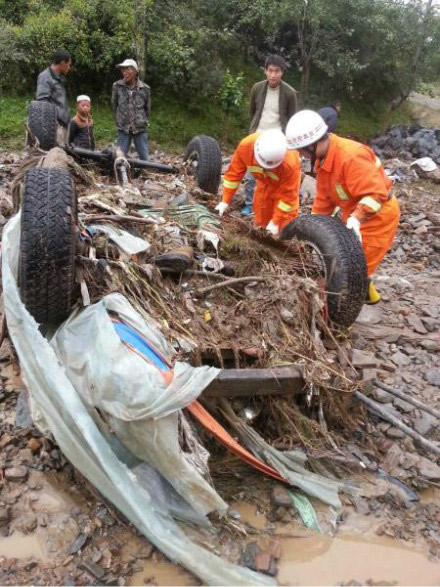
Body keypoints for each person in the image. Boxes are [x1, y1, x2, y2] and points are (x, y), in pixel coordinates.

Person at [285, 110, 400, 304]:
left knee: (355, 270)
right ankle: (369, 296)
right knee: (350, 263)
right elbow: (324, 199)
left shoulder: (351, 156)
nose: (302, 156)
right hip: (354, 214)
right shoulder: (324, 159)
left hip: (378, 216)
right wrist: (312, 228)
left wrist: (357, 217)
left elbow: (376, 194)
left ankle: (345, 319)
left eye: (303, 151)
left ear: (314, 144)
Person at [215, 129, 301, 236]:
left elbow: (288, 197)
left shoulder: (290, 163)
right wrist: (225, 201)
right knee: (261, 225)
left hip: (284, 194)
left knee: (284, 230)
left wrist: (276, 222)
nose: (265, 168)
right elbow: (233, 175)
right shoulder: (246, 147)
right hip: (264, 186)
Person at [241, 55, 298, 216]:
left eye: (277, 71)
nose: (273, 75)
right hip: (258, 136)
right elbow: (252, 111)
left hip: (277, 141)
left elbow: (292, 119)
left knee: (273, 176)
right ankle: (249, 205)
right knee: (252, 174)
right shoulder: (257, 88)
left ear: (282, 73)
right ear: (265, 71)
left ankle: (269, 209)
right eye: (270, 71)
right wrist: (253, 131)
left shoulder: (289, 93)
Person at [111, 58, 151, 161]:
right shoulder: (117, 86)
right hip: (123, 127)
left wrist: (141, 120)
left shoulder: (145, 89)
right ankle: (120, 175)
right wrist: (120, 118)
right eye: (122, 70)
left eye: (127, 69)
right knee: (119, 157)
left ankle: (144, 175)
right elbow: (114, 105)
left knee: (144, 158)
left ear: (135, 71)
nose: (124, 72)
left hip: (140, 128)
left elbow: (147, 109)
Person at [36, 48, 71, 140]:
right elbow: (42, 103)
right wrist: (52, 125)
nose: (69, 67)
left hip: (63, 126)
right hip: (55, 128)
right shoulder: (45, 77)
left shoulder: (58, 78)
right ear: (63, 63)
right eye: (68, 64)